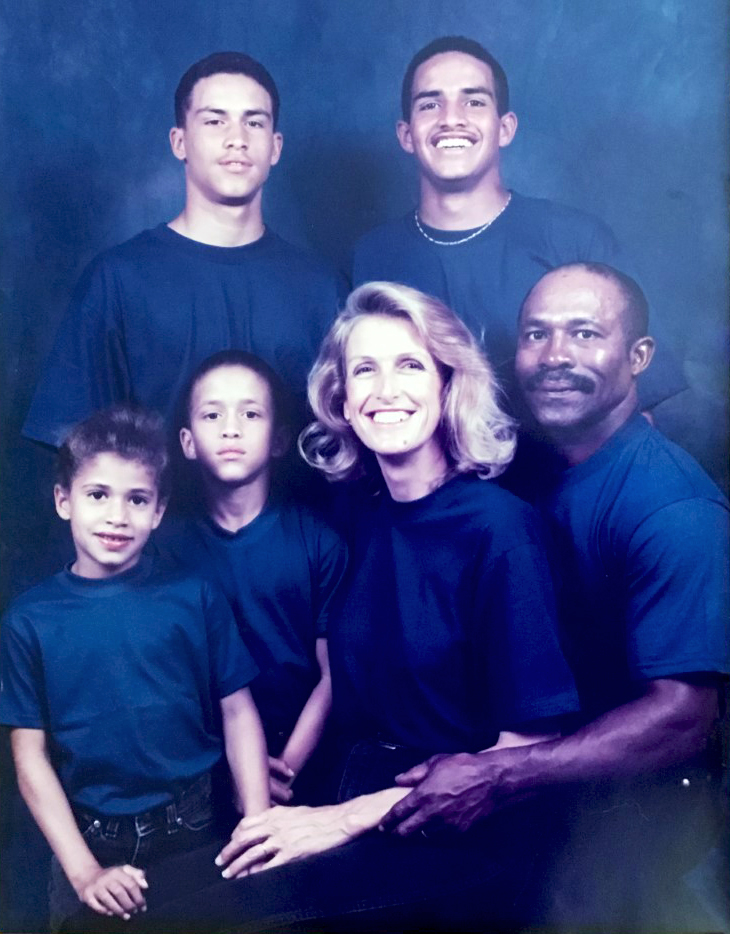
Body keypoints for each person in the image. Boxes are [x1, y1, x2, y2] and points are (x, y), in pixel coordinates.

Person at [123, 281, 579, 933]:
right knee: (137, 907)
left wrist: (336, 820)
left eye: (410, 365)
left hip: (458, 839)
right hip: (357, 794)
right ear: (340, 396)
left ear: (451, 385)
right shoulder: (358, 514)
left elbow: (528, 745)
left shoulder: (501, 531)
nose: (385, 390)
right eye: (365, 369)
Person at [507, 262, 729, 926]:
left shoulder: (671, 506)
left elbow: (682, 719)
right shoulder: (541, 467)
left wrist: (497, 777)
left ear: (639, 358)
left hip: (650, 802)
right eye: (536, 334)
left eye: (583, 334)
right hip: (561, 774)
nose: (554, 357)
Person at [0, 407, 270, 932]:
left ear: (159, 510)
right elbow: (28, 756)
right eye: (97, 495)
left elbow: (238, 711)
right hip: (91, 841)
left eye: (137, 499)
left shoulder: (194, 595)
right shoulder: (29, 621)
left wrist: (256, 824)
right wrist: (83, 873)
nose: (117, 516)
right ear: (63, 501)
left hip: (196, 826)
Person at [22, 51, 344, 449]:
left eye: (254, 122)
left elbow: (345, 448)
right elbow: (79, 455)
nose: (237, 139)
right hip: (162, 511)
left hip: (296, 513)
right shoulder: (118, 281)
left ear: (275, 147)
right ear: (179, 142)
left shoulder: (320, 288)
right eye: (214, 121)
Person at [351, 35, 685, 413]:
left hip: (557, 473)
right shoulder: (372, 257)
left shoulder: (574, 241)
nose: (451, 119)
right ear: (406, 135)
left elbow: (635, 408)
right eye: (430, 104)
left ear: (505, 128)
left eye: (474, 101)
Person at [154, 350, 347, 804]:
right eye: (212, 413)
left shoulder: (318, 540)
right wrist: (236, 768)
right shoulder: (163, 548)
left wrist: (283, 768)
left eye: (250, 413)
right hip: (200, 770)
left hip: (305, 764)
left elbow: (334, 676)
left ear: (279, 438)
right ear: (187, 441)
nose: (230, 428)